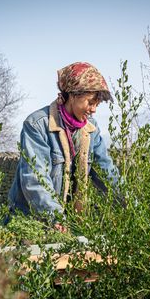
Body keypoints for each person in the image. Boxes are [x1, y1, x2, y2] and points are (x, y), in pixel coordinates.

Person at [8, 62, 118, 226]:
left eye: (97, 104)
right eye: (90, 102)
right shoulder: (38, 125)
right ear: (73, 95)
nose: (94, 109)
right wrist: (56, 218)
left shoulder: (91, 129)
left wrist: (134, 209)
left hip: (68, 222)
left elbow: (107, 172)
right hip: (33, 221)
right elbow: (35, 178)